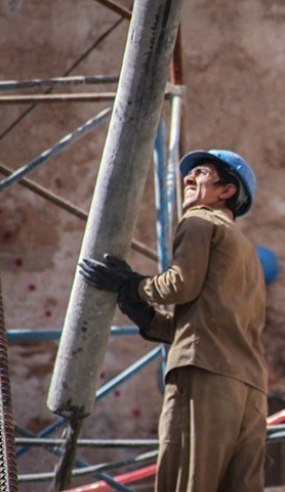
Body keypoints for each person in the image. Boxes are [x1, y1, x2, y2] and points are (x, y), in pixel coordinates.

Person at [79, 149, 269, 492]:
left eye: (200, 173)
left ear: (227, 190)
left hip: (207, 377)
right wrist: (148, 318)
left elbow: (179, 285)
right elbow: (213, 325)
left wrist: (132, 285)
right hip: (250, 392)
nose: (188, 179)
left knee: (186, 480)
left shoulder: (200, 220)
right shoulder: (248, 254)